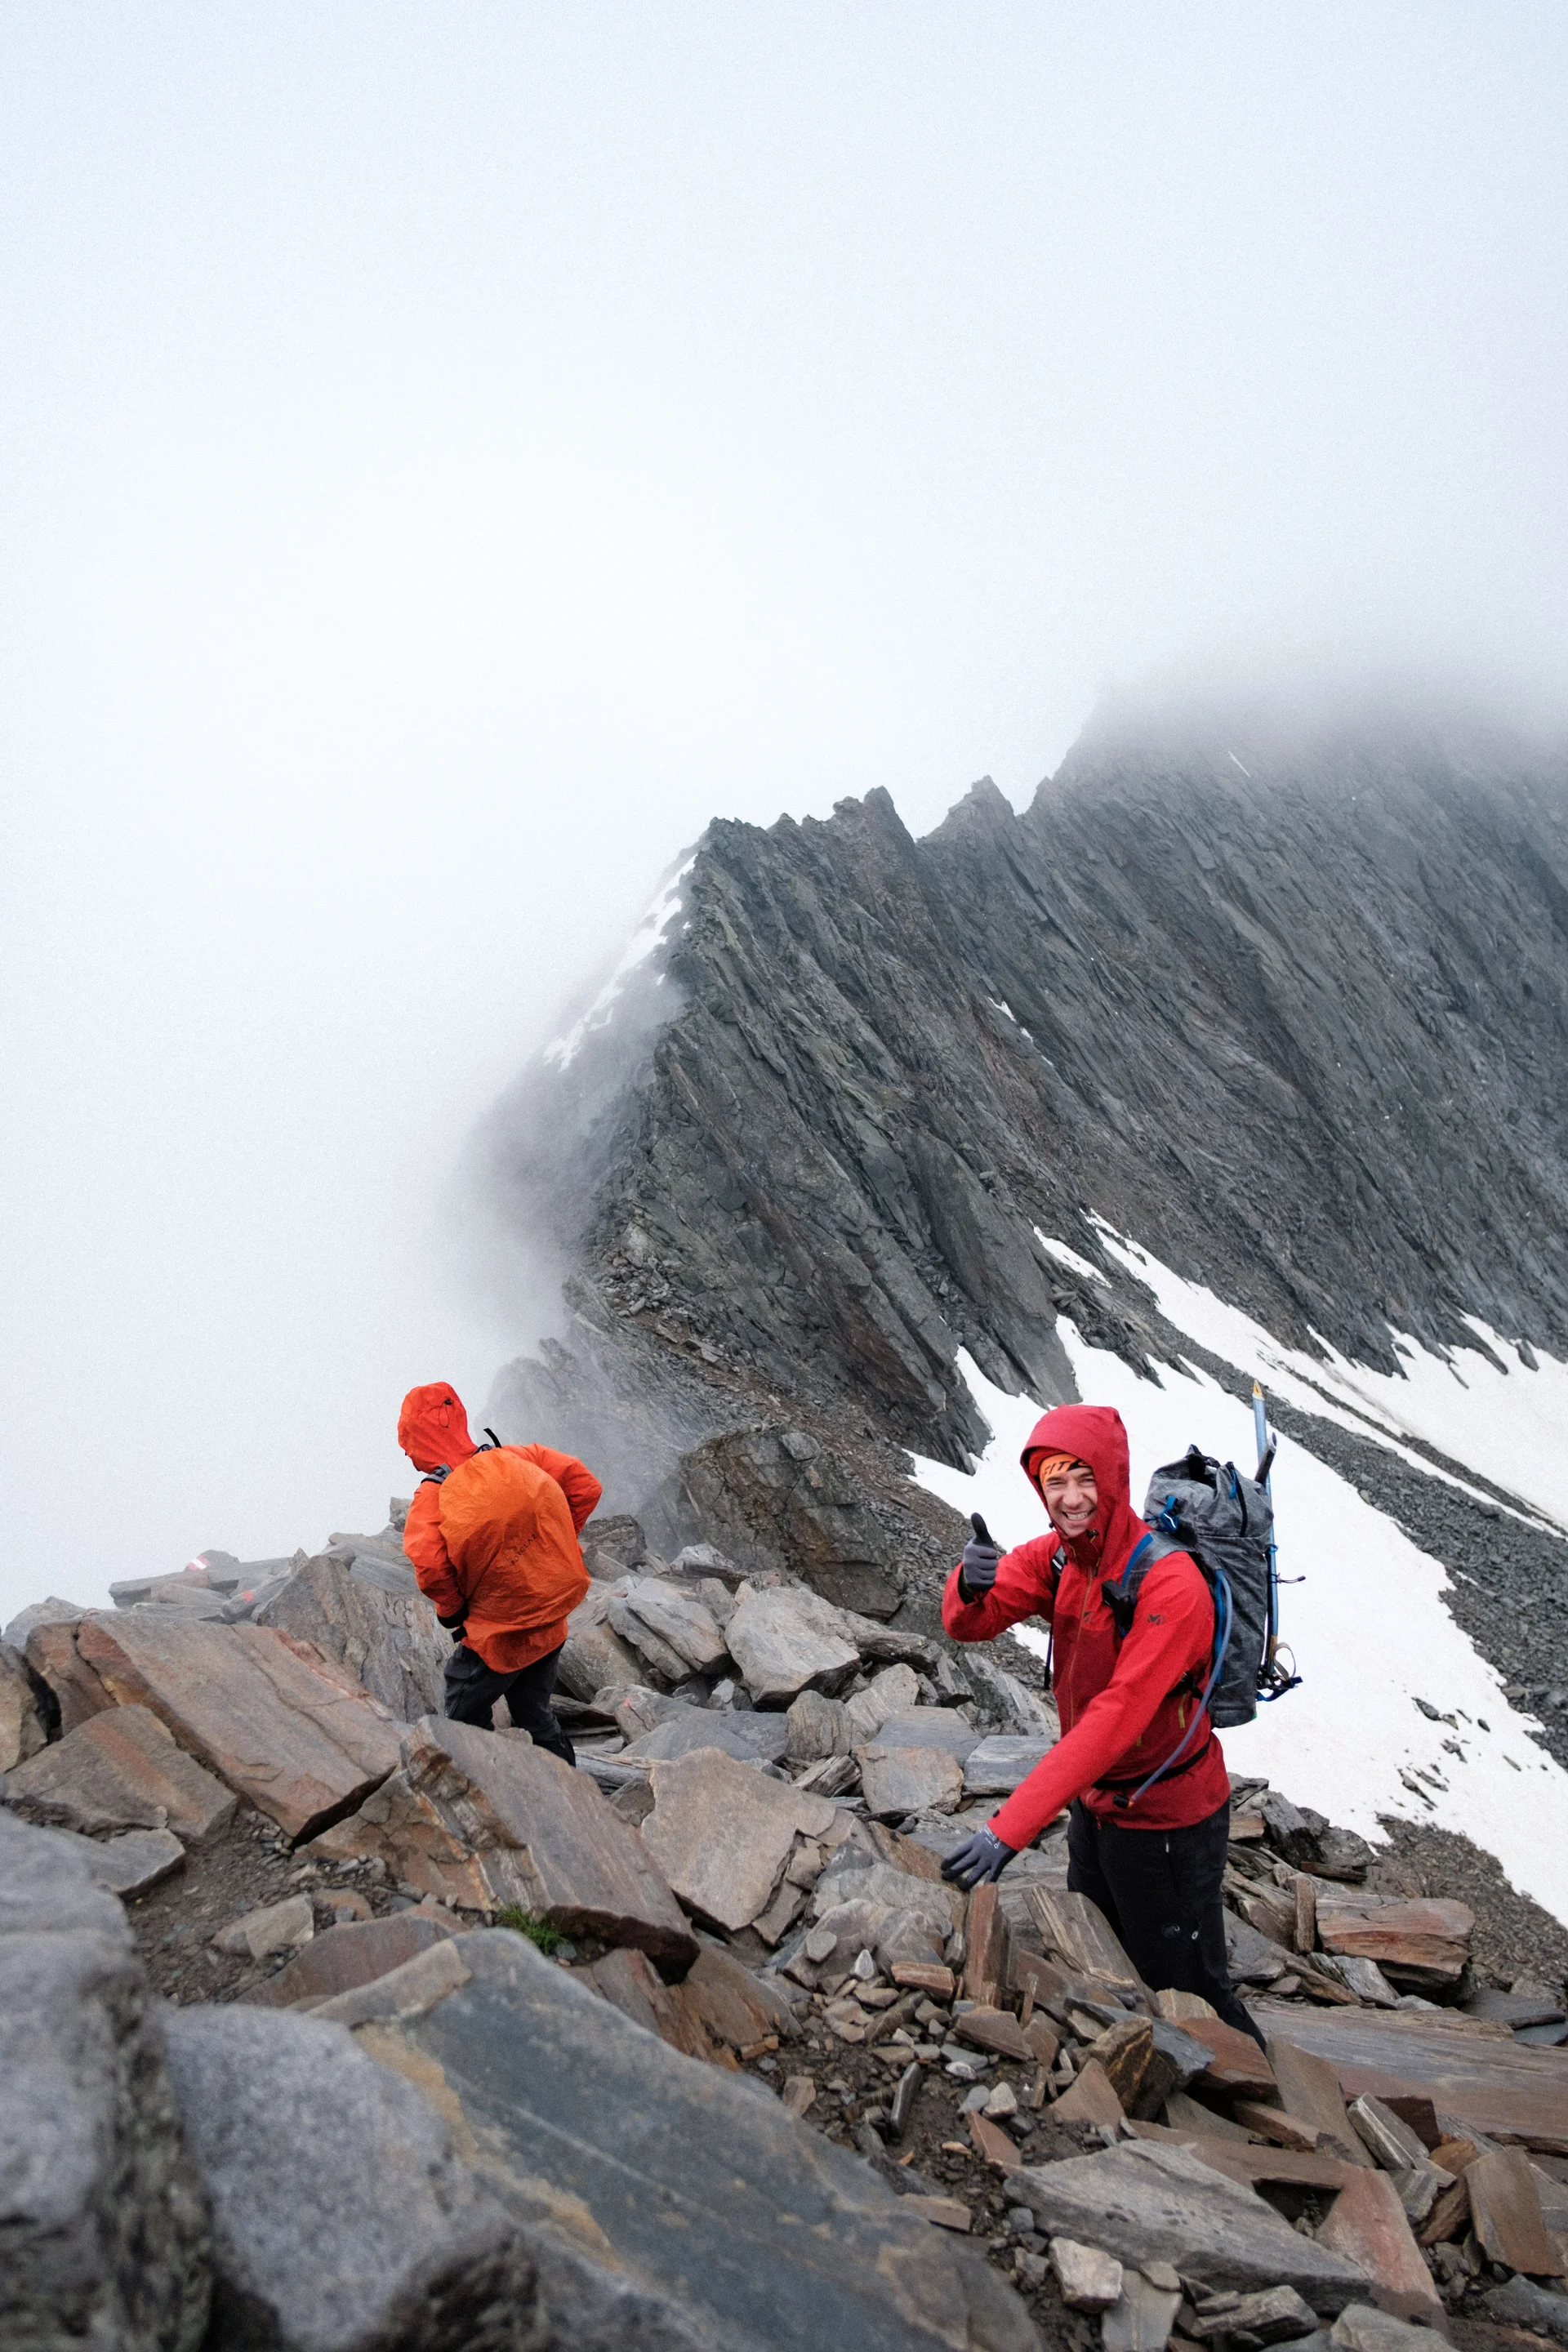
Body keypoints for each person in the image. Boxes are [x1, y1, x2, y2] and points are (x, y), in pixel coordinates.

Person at [938, 1402, 1262, 2043]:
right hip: (1096, 1810)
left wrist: (1010, 1828)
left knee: (1192, 1990)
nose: (1070, 1497)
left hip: (1168, 1824)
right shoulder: (1063, 1559)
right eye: (1054, 1480)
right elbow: (970, 1625)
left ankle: (1259, 2090)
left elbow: (1117, 1717)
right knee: (1105, 1965)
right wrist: (968, 1586)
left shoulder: (1172, 1585)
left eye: (1085, 1478)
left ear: (1112, 1479)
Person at [398, 1382, 601, 1766]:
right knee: (535, 1714)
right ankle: (572, 1789)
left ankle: (487, 1781)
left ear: (417, 1440)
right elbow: (585, 1486)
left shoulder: (434, 1495)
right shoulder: (519, 1457)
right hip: (551, 1621)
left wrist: (453, 1611)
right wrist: (557, 1540)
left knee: (462, 1713)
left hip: (500, 1636)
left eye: (407, 1443)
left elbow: (430, 1564)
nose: (407, 1454)